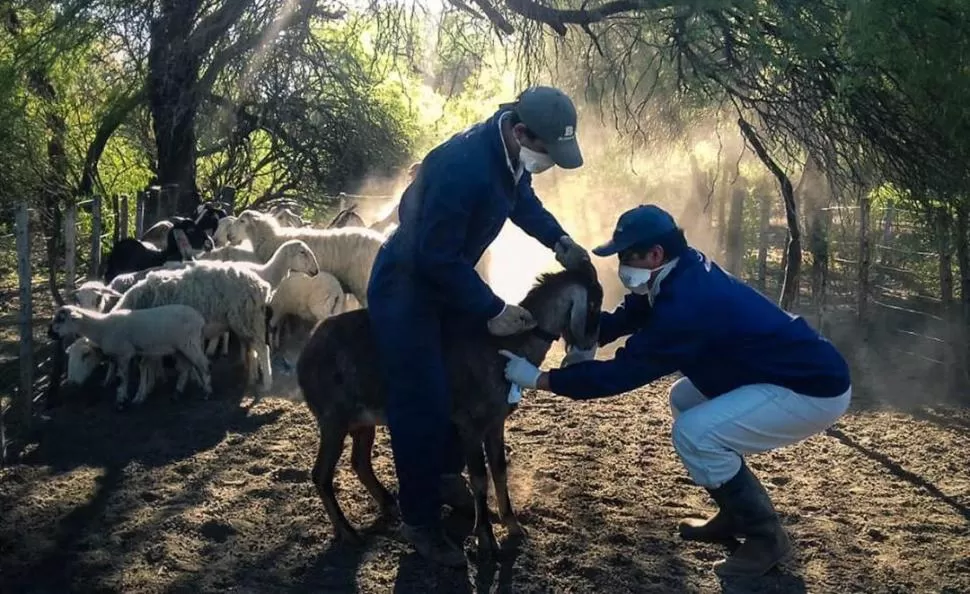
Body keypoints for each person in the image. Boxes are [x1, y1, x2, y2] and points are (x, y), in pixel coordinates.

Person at [499, 204, 852, 577]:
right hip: (773, 370)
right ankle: (734, 513)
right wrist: (582, 328)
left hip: (810, 388)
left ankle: (766, 537)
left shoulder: (687, 304)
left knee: (695, 434)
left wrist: (543, 380)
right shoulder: (675, 272)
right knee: (684, 398)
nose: (621, 264)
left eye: (626, 255)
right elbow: (630, 316)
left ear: (654, 254)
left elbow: (625, 373)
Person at [367, 86, 592, 566]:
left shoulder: (508, 156)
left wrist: (559, 239)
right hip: (408, 288)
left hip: (449, 281)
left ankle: (447, 475)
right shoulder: (463, 167)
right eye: (547, 151)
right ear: (520, 131)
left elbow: (521, 202)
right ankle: (420, 519)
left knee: (465, 385)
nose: (547, 162)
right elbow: (434, 257)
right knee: (423, 398)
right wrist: (490, 307)